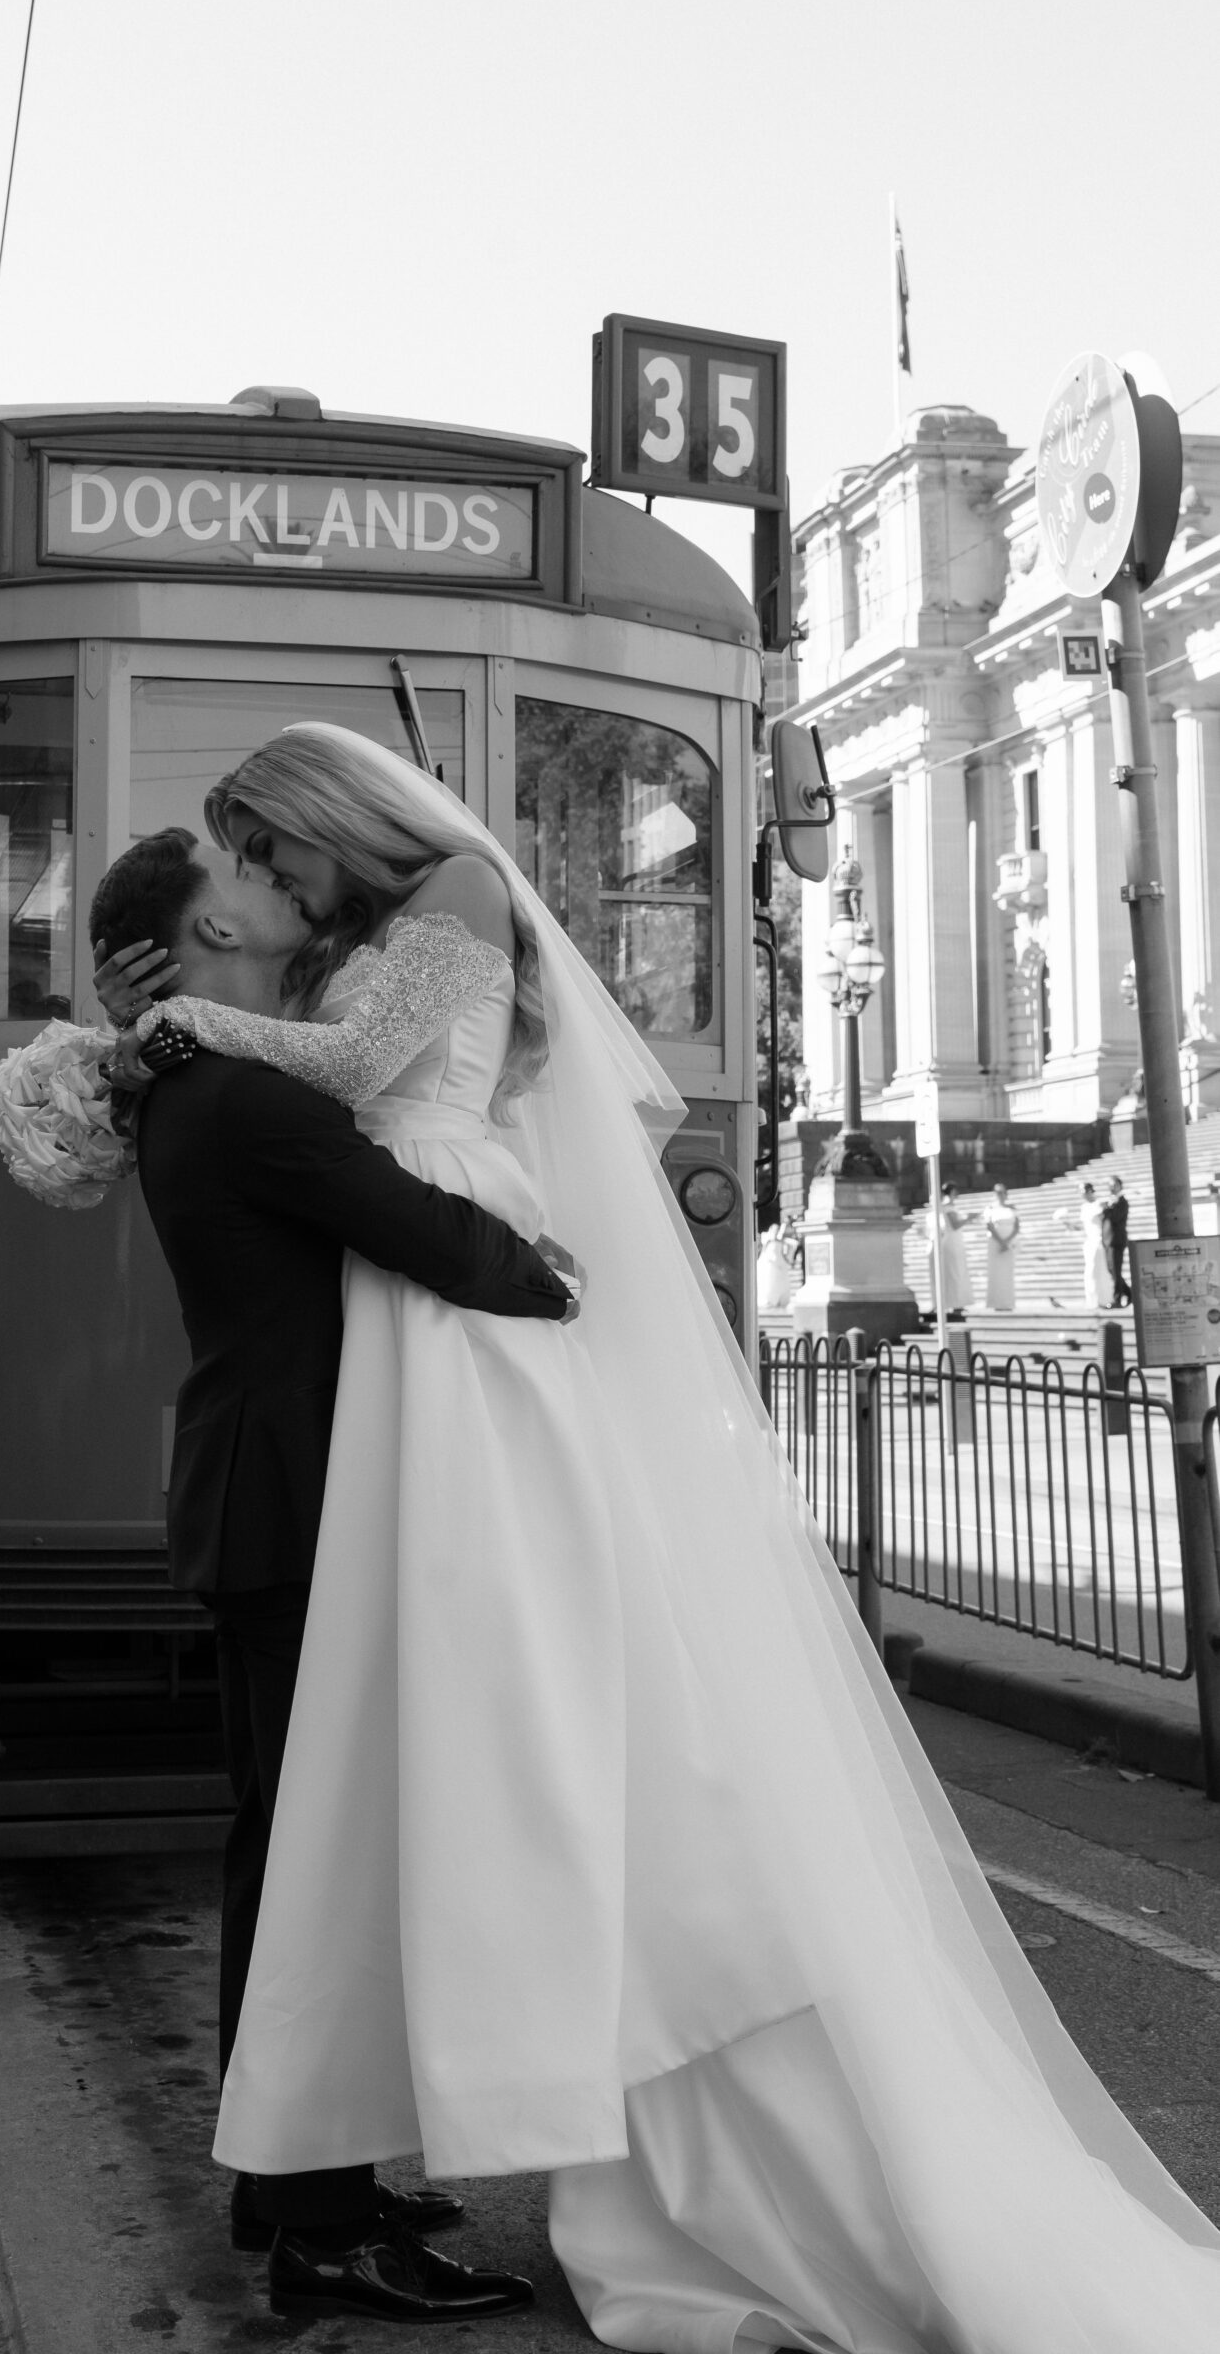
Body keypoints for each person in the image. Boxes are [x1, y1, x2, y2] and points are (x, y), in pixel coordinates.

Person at [96, 722, 1220, 2351]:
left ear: (325, 829)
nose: (267, 887)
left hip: (433, 1381)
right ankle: (320, 2186)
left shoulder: (441, 911)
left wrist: (173, 1028)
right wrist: (513, 1263)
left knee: (404, 1793)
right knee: (344, 1817)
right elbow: (383, 1174)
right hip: (393, 1385)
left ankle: (332, 2176)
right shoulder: (252, 1045)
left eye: (272, 856)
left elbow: (365, 1105)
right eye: (245, 879)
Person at [88, 824, 574, 2328]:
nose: (275, 890)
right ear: (200, 940)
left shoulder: (206, 1077)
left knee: (285, 1851)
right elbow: (414, 1227)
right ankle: (319, 2228)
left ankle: (294, 2180)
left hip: (264, 1502)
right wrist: (551, 1280)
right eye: (238, 880)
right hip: (290, 1513)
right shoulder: (235, 1096)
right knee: (312, 1866)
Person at [1060, 1178, 1111, 1308]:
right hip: (1089, 1241)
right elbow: (1082, 1227)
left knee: (1100, 1270)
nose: (1081, 1194)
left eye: (1082, 1191)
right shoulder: (1084, 1207)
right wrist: (1067, 1223)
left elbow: (1104, 1223)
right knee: (1090, 1271)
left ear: (1089, 1191)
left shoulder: (1100, 1204)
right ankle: (1092, 1300)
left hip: (1099, 1240)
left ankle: (1104, 1299)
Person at [931, 1181, 972, 1317]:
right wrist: (969, 1218)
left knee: (958, 1271)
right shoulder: (947, 1207)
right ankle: (954, 1303)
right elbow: (955, 1225)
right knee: (954, 1272)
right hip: (951, 1242)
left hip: (955, 1241)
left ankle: (957, 1302)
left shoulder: (950, 1206)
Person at [983, 1181, 1020, 1311]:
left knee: (1007, 1274)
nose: (1000, 1195)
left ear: (1006, 1193)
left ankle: (1007, 1302)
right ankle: (996, 1303)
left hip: (1009, 1242)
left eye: (1002, 1192)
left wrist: (1007, 1241)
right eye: (997, 1192)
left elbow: (1016, 1227)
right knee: (996, 1274)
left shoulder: (1012, 1209)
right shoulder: (990, 1209)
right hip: (995, 1242)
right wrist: (1001, 1241)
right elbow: (989, 1226)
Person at [1104, 1173, 1133, 1306]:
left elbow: (1115, 1218)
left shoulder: (1122, 1202)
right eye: (1110, 1185)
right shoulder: (1110, 1201)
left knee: (1116, 1270)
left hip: (1117, 1240)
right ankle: (1129, 1293)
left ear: (1120, 1186)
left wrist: (1108, 1208)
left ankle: (1117, 1299)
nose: (1112, 1188)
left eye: (1115, 1185)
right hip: (1109, 1240)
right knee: (1111, 1270)